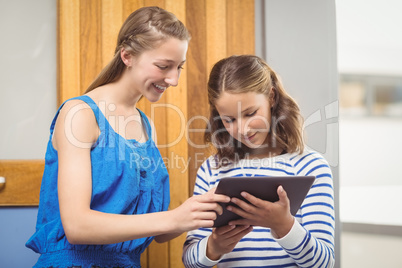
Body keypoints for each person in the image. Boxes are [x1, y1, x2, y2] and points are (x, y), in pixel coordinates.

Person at [26, 6, 230, 268]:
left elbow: (156, 230)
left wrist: (200, 209)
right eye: (163, 66)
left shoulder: (145, 127)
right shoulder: (79, 114)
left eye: (178, 67)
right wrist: (174, 219)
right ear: (127, 56)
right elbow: (77, 225)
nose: (174, 79)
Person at [182, 55, 335, 267]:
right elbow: (189, 260)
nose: (243, 129)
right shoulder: (212, 169)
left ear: (271, 97)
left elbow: (324, 263)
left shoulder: (311, 166)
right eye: (230, 120)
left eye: (250, 113)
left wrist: (285, 226)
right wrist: (213, 247)